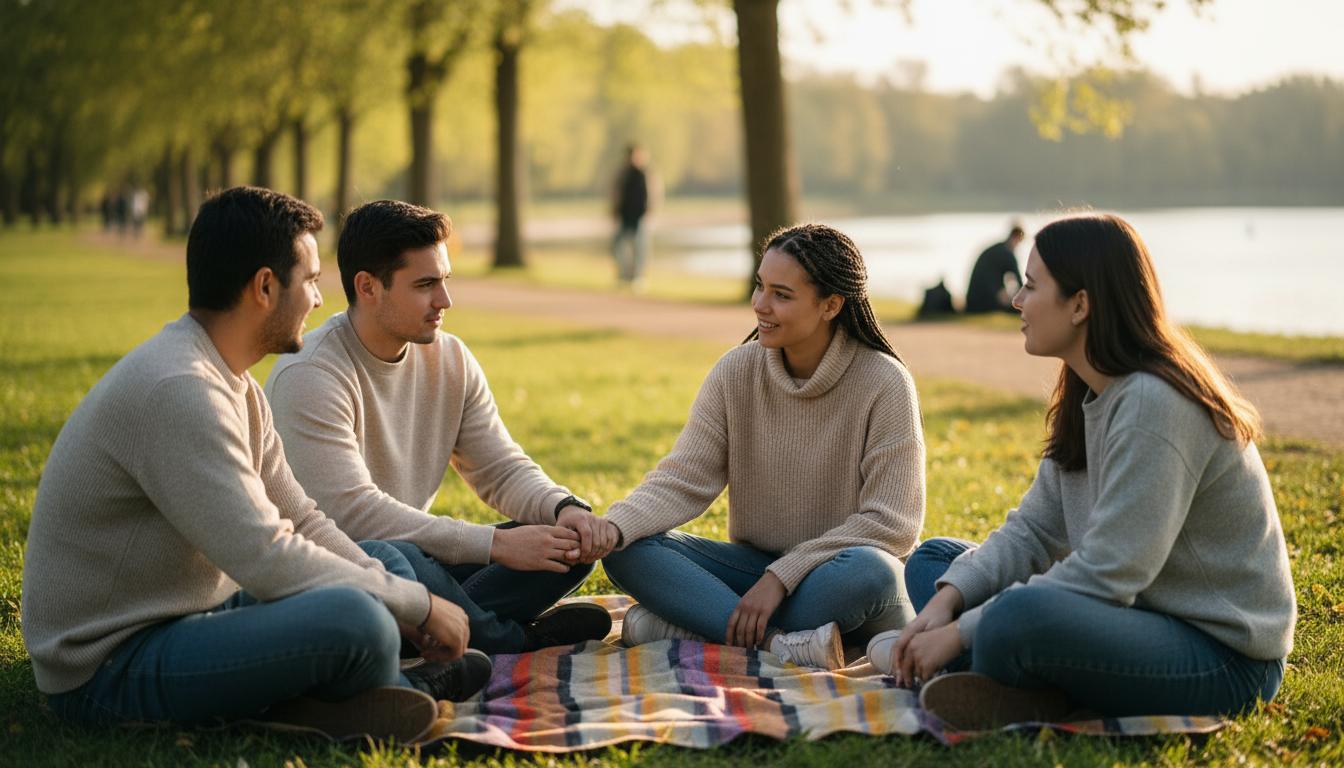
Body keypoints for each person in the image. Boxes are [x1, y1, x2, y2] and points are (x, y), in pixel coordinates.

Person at [21, 187, 491, 738]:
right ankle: (387, 690)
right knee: (358, 619)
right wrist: (413, 604)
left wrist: (399, 591)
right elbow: (266, 556)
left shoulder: (234, 382)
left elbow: (305, 520)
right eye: (311, 280)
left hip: (195, 615)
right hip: (110, 665)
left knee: (381, 559)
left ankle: (340, 698)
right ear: (265, 287)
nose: (319, 300)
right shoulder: (181, 389)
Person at [867, 213, 1295, 730]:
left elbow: (1112, 571)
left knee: (1011, 619)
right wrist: (947, 603)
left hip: (1223, 657)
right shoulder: (1089, 392)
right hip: (1138, 615)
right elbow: (1035, 528)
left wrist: (961, 632)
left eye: (1030, 287)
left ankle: (1005, 677)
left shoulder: (1154, 404)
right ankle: (1020, 682)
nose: (1018, 302)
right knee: (935, 565)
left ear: (1081, 304)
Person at [265, 199, 612, 656]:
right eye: (426, 285)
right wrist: (494, 545)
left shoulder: (450, 358)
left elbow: (500, 467)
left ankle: (442, 626)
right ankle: (512, 638)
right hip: (341, 575)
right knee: (399, 557)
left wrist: (563, 508)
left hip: (421, 563)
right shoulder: (310, 374)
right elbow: (350, 516)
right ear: (368, 287)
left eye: (444, 280)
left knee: (565, 545)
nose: (445, 301)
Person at [601, 223, 925, 671]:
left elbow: (892, 525)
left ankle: (694, 625)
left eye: (781, 294)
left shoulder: (884, 382)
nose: (759, 304)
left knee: (873, 572)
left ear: (831, 305)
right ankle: (777, 642)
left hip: (833, 576)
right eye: (759, 286)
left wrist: (783, 576)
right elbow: (683, 480)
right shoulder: (736, 372)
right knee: (628, 548)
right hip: (752, 570)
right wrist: (611, 528)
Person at [610, 144, 655, 288]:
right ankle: (624, 275)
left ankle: (638, 277)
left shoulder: (645, 174)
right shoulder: (623, 174)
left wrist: (650, 211)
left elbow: (653, 195)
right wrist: (614, 209)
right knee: (618, 246)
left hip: (639, 217)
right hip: (624, 216)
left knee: (640, 249)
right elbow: (616, 193)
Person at [964, 224, 1025, 314]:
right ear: (1016, 238)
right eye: (1019, 242)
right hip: (983, 301)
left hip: (973, 300)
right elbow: (1019, 282)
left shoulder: (998, 249)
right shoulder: (1006, 253)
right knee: (1015, 309)